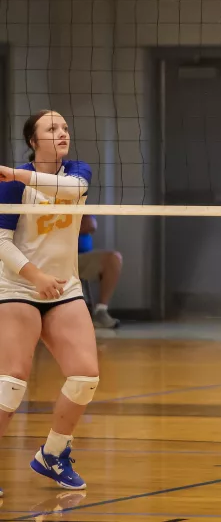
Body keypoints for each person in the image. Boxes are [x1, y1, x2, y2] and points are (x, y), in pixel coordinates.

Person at [0, 110, 97, 493]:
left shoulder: (77, 171)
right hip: (20, 286)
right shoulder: (11, 187)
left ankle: (53, 453)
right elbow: (0, 241)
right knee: (11, 381)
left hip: (64, 287)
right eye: (52, 129)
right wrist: (35, 277)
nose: (62, 133)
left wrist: (14, 172)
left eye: (65, 128)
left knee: (86, 376)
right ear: (33, 141)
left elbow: (69, 191)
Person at [78, 216, 122, 329]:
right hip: (53, 257)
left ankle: (100, 312)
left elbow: (90, 224)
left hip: (80, 257)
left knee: (113, 259)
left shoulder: (78, 200)